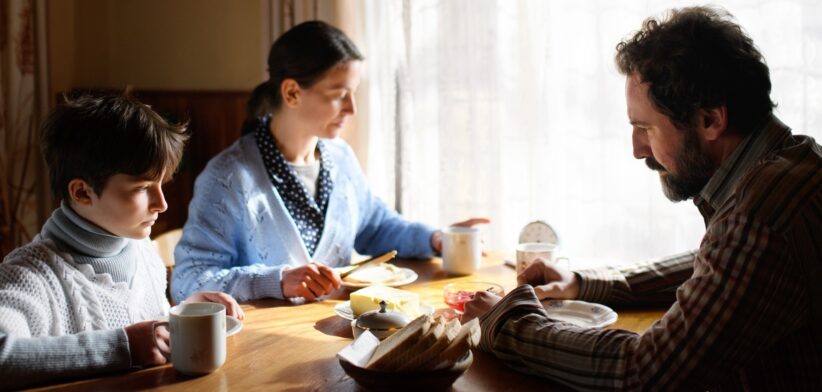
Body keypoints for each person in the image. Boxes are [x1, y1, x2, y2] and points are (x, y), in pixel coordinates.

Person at [462, 6, 821, 390]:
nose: (637, 149)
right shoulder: (795, 164)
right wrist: (586, 282)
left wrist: (511, 323)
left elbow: (646, 372)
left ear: (711, 120)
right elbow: (719, 266)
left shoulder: (760, 220)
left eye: (645, 128)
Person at [171, 21, 487, 304]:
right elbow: (187, 282)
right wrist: (277, 281)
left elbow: (375, 227)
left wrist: (434, 238)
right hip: (263, 351)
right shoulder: (228, 178)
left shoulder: (340, 158)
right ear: (292, 92)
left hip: (337, 335)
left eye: (354, 93)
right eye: (339, 94)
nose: (352, 109)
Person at [0, 94, 244, 389]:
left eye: (161, 184)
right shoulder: (29, 276)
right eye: (142, 188)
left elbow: (137, 333)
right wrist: (124, 347)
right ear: (82, 193)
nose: (162, 204)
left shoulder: (143, 251)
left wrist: (182, 319)